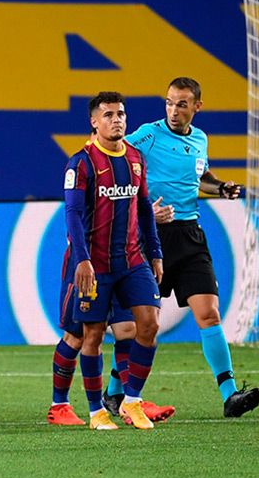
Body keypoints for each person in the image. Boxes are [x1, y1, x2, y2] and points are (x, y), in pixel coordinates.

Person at [125, 77, 259, 417]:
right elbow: (115, 164)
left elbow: (200, 176)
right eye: (170, 102)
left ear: (197, 107)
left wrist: (220, 188)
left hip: (189, 236)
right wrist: (144, 211)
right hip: (151, 237)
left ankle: (230, 395)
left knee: (209, 313)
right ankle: (117, 392)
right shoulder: (147, 134)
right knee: (145, 325)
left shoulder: (200, 139)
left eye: (182, 104)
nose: (174, 110)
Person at [49, 136, 175, 428]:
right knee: (80, 336)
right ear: (95, 122)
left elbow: (143, 208)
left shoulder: (135, 159)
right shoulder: (82, 162)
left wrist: (154, 251)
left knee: (134, 327)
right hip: (90, 264)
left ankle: (131, 401)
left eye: (120, 113)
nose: (116, 119)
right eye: (109, 114)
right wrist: (82, 259)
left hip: (129, 261)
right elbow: (73, 214)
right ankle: (61, 405)